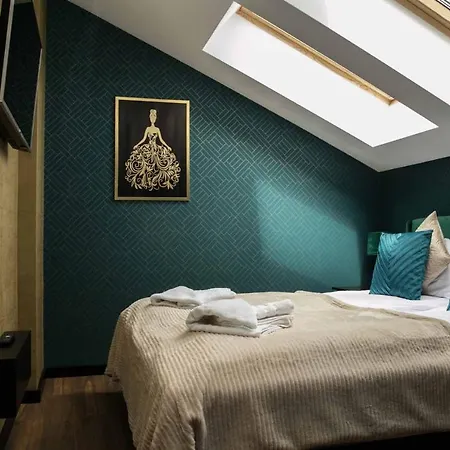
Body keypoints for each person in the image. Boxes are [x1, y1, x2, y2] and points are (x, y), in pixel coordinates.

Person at [125, 109, 181, 191]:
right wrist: (137, 145)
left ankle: (159, 181)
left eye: (154, 117)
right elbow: (144, 139)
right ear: (149, 118)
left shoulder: (157, 129)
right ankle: (146, 181)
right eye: (151, 117)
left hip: (155, 148)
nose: (153, 118)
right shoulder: (148, 129)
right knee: (144, 163)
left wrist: (167, 146)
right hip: (148, 148)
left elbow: (161, 140)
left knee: (160, 163)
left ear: (156, 118)